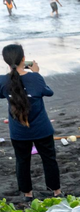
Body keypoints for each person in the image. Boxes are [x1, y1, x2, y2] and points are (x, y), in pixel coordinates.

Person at [0, 45, 61, 202]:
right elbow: (48, 92)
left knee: (22, 161)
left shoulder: (3, 81)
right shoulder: (35, 78)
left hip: (19, 131)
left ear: (5, 60)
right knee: (49, 159)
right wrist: (36, 72)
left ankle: (28, 194)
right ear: (23, 59)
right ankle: (56, 191)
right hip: (41, 128)